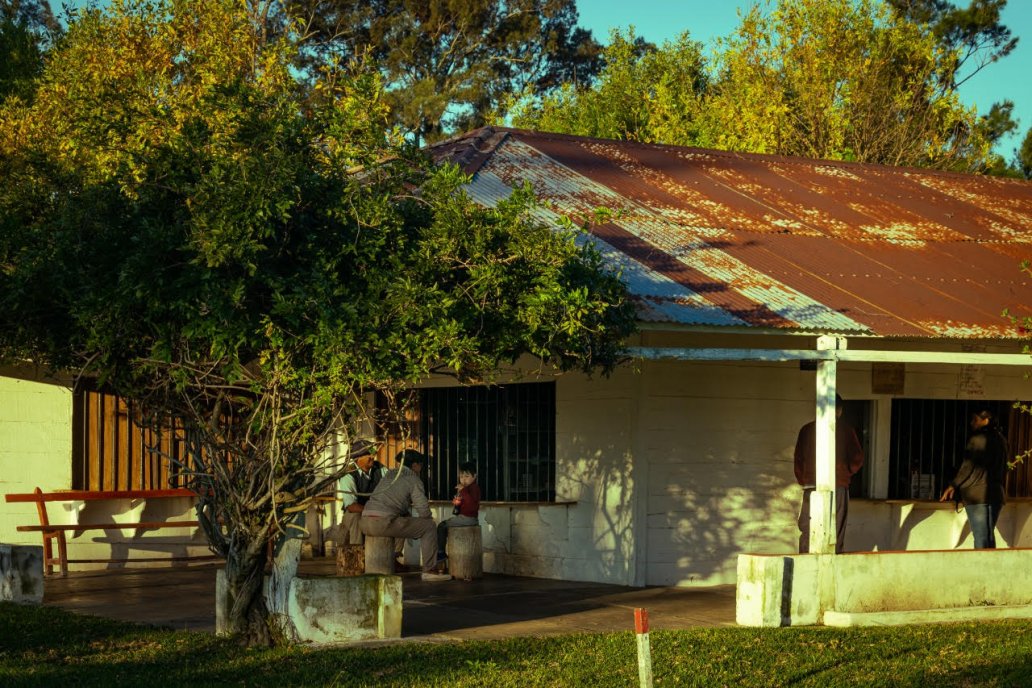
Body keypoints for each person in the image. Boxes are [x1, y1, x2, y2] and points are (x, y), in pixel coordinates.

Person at [360, 449, 452, 582]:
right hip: (383, 523)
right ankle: (429, 570)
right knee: (429, 526)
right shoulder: (413, 479)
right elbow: (423, 510)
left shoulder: (390, 474)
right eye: (421, 466)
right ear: (415, 465)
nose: (421, 469)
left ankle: (391, 561)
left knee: (403, 521)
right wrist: (426, 518)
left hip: (365, 522)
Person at [794, 394, 865, 553]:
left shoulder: (807, 430)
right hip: (838, 485)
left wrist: (804, 479)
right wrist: (844, 473)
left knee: (808, 528)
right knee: (836, 529)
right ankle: (834, 563)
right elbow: (857, 458)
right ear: (839, 410)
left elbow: (798, 460)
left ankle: (804, 564)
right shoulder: (846, 430)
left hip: (811, 485)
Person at [940, 410, 1009, 549]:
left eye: (975, 419)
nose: (972, 423)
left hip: (976, 494)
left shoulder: (977, 439)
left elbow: (968, 466)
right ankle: (991, 567)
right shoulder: (1001, 440)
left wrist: (953, 485)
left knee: (981, 537)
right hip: (995, 494)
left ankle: (982, 567)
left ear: (986, 420)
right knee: (988, 536)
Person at [336, 441, 387, 546]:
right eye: (368, 454)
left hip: (376, 511)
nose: (372, 457)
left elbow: (393, 486)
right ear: (357, 458)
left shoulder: (380, 469)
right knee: (356, 516)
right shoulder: (348, 474)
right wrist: (375, 511)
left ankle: (393, 556)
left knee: (401, 517)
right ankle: (357, 552)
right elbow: (351, 506)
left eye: (372, 453)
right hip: (356, 514)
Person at [436, 462, 481, 567]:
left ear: (474, 476)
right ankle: (442, 550)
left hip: (469, 518)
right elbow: (462, 504)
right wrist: (457, 502)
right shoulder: (466, 489)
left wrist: (463, 491)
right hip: (464, 517)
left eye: (467, 476)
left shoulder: (474, 488)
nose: (463, 479)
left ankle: (441, 552)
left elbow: (472, 505)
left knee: (442, 526)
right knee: (444, 527)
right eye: (461, 477)